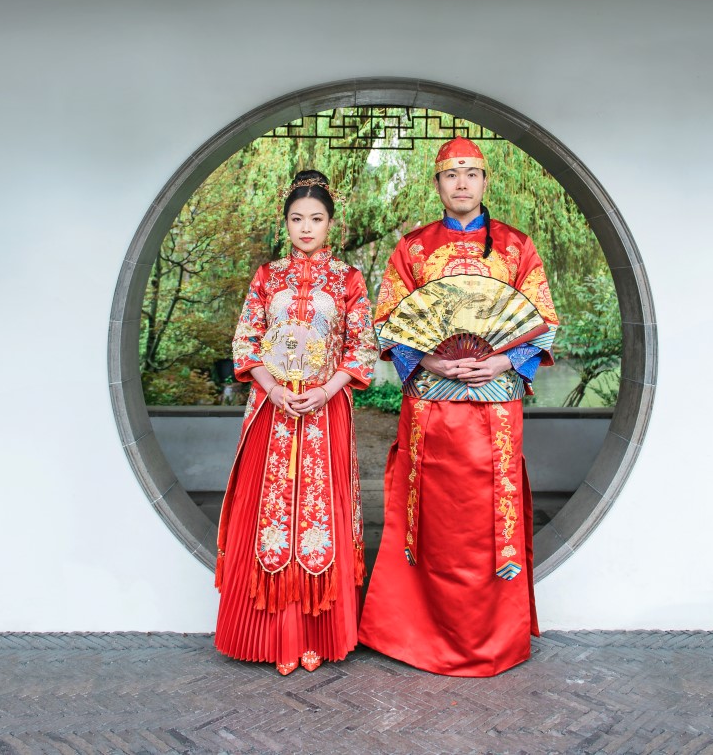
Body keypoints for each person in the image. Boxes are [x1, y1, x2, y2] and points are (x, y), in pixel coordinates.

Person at [359, 137, 559, 677]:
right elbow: (386, 323)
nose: (462, 183)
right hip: (431, 410)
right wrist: (427, 359)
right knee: (431, 518)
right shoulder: (414, 249)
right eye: (451, 175)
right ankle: (416, 633)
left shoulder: (517, 248)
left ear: (486, 181)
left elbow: (542, 323)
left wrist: (501, 363)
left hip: (495, 412)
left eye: (472, 173)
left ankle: (495, 636)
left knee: (489, 520)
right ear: (437, 185)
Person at [214, 170, 378, 675]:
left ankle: (317, 634)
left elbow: (363, 348)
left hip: (326, 415)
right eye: (296, 218)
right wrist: (274, 388)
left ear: (332, 223)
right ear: (285, 222)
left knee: (317, 517)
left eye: (316, 219)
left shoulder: (348, 279)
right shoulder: (267, 277)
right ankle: (269, 635)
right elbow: (245, 342)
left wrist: (327, 390)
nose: (306, 228)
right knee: (268, 514)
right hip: (272, 412)